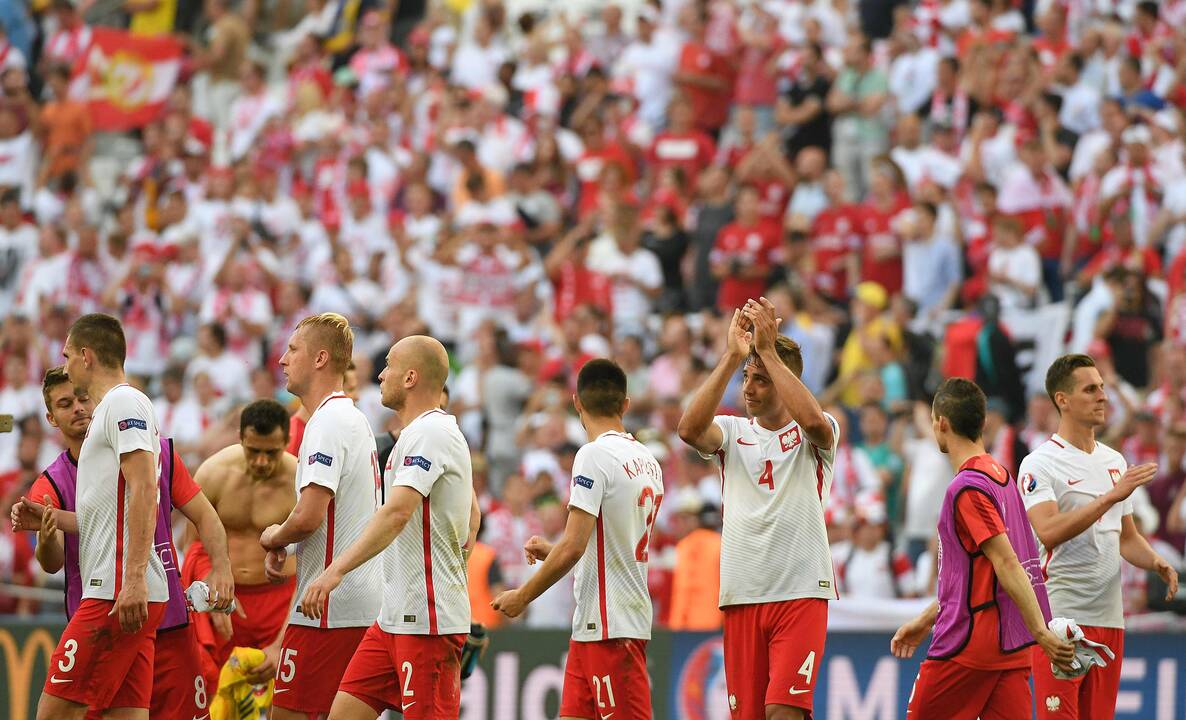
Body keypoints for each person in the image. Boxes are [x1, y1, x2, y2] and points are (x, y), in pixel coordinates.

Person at [12, 366, 234, 719]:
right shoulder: (52, 481)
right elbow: (51, 561)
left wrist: (222, 568)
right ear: (51, 418)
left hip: (164, 614)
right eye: (65, 404)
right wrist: (48, 536)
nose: (78, 408)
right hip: (109, 612)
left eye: (82, 398)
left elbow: (206, 515)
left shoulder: (156, 451)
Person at [297, 334, 477, 720]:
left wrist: (335, 571)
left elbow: (397, 514)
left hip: (426, 621)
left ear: (410, 378)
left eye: (389, 366)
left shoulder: (430, 433)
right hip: (394, 615)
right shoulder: (418, 435)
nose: (380, 375)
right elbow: (473, 516)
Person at [677, 297, 839, 720]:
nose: (748, 388)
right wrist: (734, 356)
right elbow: (689, 429)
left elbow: (816, 425)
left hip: (799, 592)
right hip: (742, 593)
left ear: (787, 383)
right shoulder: (732, 433)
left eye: (761, 379)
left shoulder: (817, 433)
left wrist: (767, 350)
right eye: (748, 378)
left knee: (782, 712)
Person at [889, 378, 1075, 719]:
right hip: (1009, 650)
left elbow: (1007, 562)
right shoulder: (1002, 476)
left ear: (940, 423)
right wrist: (924, 620)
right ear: (982, 422)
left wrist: (1041, 633)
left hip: (967, 645)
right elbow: (974, 575)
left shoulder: (966, 488)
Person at [491, 359, 664, 719]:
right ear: (626, 405)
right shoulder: (648, 460)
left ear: (576, 403)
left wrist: (522, 596)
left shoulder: (592, 455)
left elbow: (574, 547)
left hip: (610, 626)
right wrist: (553, 550)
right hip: (596, 625)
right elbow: (612, 544)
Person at [1018, 354, 1179, 719]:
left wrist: (1156, 561)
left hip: (1110, 621)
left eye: (1102, 388)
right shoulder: (1040, 463)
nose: (1102, 397)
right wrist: (1110, 496)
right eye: (1090, 390)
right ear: (1063, 400)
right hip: (1061, 621)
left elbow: (1126, 538)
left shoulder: (1114, 461)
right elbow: (1048, 530)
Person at [34, 314, 170, 720]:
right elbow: (111, 506)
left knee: (54, 713)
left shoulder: (123, 402)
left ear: (86, 356)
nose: (66, 363)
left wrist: (131, 581)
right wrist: (50, 521)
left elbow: (145, 488)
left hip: (114, 591)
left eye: (68, 355)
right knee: (124, 714)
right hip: (123, 589)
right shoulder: (114, 408)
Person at [259, 313, 384, 719]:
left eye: (293, 349)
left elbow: (310, 515)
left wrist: (274, 537)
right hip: (355, 602)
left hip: (327, 609)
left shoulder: (326, 422)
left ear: (319, 358)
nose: (282, 359)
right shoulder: (352, 418)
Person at [180, 398, 298, 685]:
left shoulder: (301, 482)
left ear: (287, 440)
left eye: (271, 452)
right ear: (240, 438)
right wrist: (212, 589)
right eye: (253, 450)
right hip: (225, 595)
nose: (261, 461)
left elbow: (315, 562)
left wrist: (282, 641)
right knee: (212, 687)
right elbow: (192, 544)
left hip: (280, 601)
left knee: (283, 697)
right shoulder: (214, 472)